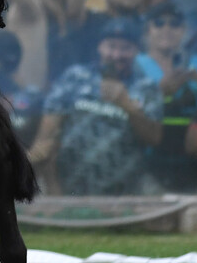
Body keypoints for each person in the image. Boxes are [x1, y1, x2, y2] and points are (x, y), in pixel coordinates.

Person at [26, 17, 163, 196]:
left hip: (125, 195)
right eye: (111, 46)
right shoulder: (75, 77)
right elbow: (46, 138)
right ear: (100, 47)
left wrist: (127, 105)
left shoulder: (147, 87)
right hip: (70, 189)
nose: (116, 55)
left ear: (137, 51)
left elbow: (154, 138)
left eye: (125, 48)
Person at [137, 1, 197, 193]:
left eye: (175, 24)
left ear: (184, 30)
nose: (167, 29)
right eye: (159, 23)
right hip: (147, 160)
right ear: (147, 31)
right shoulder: (137, 64)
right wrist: (160, 93)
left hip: (194, 159)